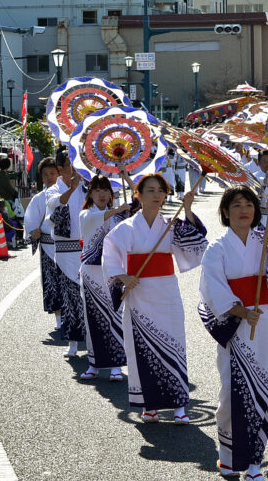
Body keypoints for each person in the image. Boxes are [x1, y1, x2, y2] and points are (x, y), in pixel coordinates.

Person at [199, 187, 268, 481]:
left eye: (249, 204)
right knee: (232, 392)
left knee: (267, 388)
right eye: (236, 205)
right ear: (225, 212)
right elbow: (213, 289)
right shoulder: (216, 248)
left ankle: (256, 460)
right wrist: (241, 312)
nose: (244, 209)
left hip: (267, 320)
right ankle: (229, 455)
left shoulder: (266, 240)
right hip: (237, 323)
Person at [102, 173, 208, 424]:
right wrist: (123, 276)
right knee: (141, 348)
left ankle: (180, 405)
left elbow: (198, 239)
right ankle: (148, 405)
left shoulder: (171, 224)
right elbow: (110, 252)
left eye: (161, 190)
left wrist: (189, 210)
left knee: (174, 344)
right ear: (138, 194)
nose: (157, 195)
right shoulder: (125, 228)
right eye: (150, 190)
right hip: (139, 293)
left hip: (166, 291)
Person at [78, 175, 133, 382]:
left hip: (114, 275)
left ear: (111, 194)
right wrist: (119, 210)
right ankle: (94, 364)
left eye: (105, 190)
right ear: (90, 194)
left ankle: (116, 366)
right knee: (93, 320)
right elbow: (95, 220)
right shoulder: (86, 214)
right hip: (91, 274)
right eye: (97, 190)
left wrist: (126, 176)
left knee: (115, 319)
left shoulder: (121, 216)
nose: (102, 194)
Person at [46, 150, 88, 358]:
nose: (75, 168)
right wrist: (71, 188)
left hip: (87, 247)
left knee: (89, 296)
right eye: (71, 164)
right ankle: (72, 342)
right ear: (60, 168)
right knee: (70, 297)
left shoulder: (87, 186)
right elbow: (56, 204)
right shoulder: (53, 190)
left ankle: (93, 340)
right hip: (64, 250)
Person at [25, 158, 63, 330]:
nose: (49, 177)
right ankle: (59, 318)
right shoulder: (39, 198)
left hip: (67, 246)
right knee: (52, 282)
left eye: (53, 173)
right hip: (48, 245)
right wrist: (33, 230)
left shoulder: (67, 194)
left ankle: (73, 316)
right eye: (45, 174)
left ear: (59, 173)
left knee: (69, 281)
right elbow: (31, 220)